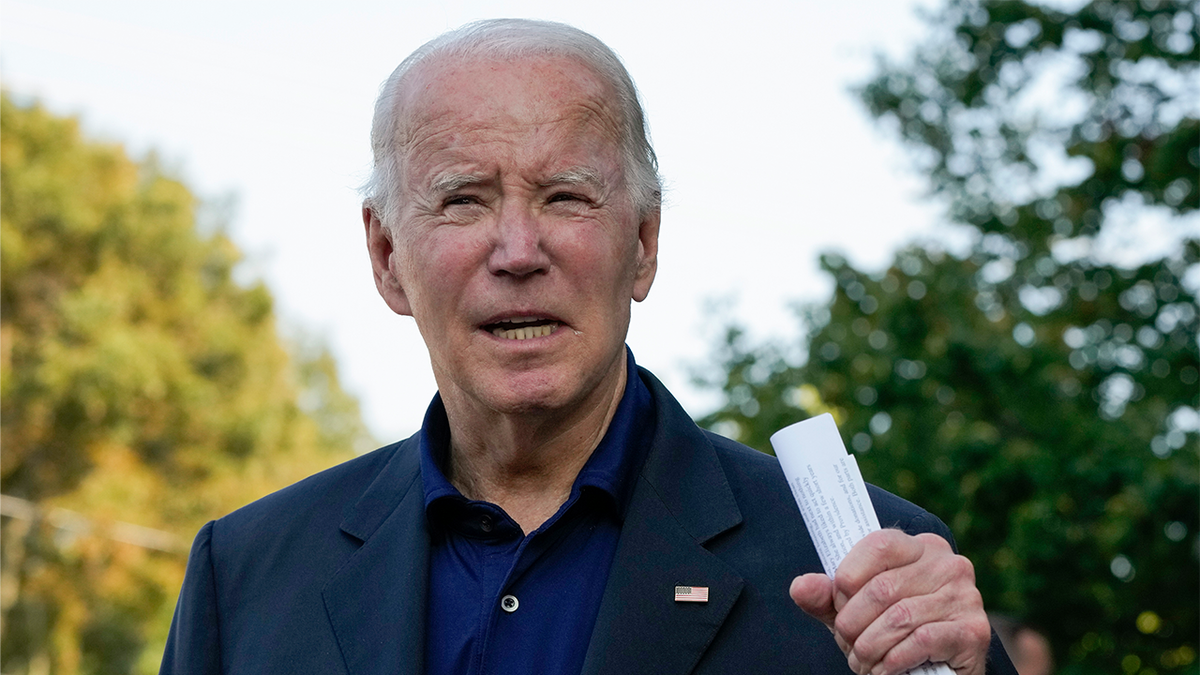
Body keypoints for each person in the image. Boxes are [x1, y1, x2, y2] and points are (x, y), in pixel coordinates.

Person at [160, 19, 1016, 675]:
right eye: (463, 200)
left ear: (642, 244)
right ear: (387, 257)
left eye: (567, 196)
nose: (519, 250)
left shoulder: (866, 569)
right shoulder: (245, 577)